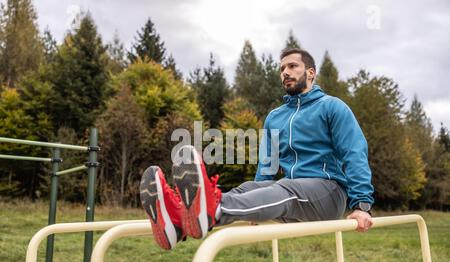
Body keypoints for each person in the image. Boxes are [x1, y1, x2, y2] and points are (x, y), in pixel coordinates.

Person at [139, 48, 375, 250]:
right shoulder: (275, 117)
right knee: (248, 188)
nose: (285, 72)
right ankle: (177, 222)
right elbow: (267, 167)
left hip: (329, 194)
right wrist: (254, 205)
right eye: (282, 68)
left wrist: (362, 206)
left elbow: (354, 153)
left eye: (293, 66)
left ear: (311, 73)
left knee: (286, 188)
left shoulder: (332, 107)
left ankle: (212, 210)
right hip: (290, 196)